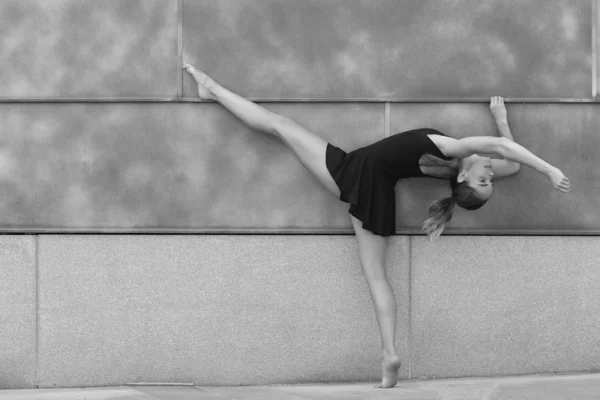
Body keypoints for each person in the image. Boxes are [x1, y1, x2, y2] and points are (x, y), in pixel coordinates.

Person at [182, 62, 571, 388]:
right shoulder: (455, 164)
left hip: (354, 171)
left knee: (279, 124)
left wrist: (549, 169)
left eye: (485, 181)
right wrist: (503, 121)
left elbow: (506, 155)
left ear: (465, 182)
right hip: (378, 189)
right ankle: (388, 353)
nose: (490, 174)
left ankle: (212, 89)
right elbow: (512, 162)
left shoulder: (454, 151)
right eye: (490, 180)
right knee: (375, 276)